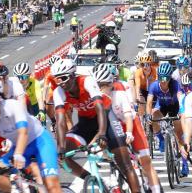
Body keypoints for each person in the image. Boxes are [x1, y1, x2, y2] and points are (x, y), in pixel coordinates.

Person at [51, 59, 141, 192]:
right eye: (57, 80)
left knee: (125, 165)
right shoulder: (58, 92)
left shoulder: (86, 81)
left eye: (63, 78)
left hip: (106, 118)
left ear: (72, 75)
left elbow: (99, 108)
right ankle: (93, 180)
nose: (61, 83)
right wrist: (61, 147)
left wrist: (102, 134)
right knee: (61, 159)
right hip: (85, 123)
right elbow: (60, 121)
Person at [0, 77, 62, 192]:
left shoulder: (12, 106)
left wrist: (19, 154)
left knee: (51, 185)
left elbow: (23, 132)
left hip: (39, 142)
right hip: (18, 146)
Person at [93, 65, 161, 193]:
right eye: (98, 85)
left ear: (111, 84)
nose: (101, 89)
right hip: (112, 128)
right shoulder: (96, 98)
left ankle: (156, 189)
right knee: (113, 158)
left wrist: (129, 133)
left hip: (131, 124)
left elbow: (129, 117)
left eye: (104, 85)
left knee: (145, 161)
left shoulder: (119, 94)